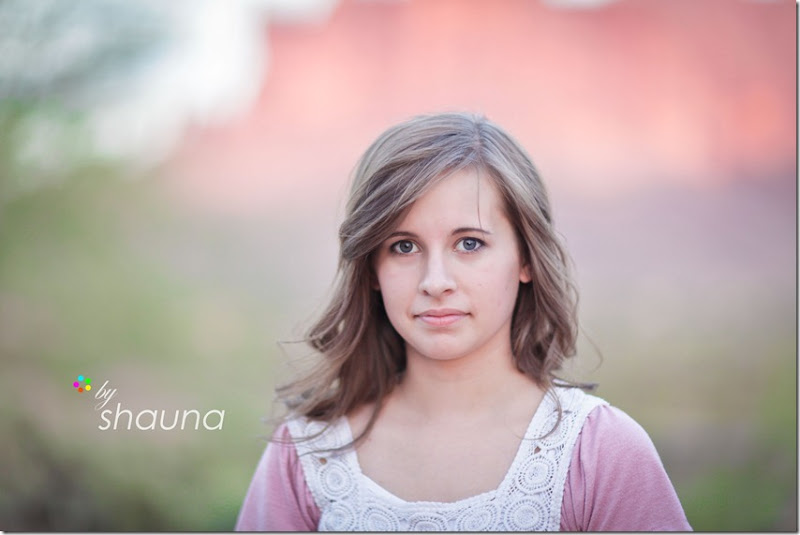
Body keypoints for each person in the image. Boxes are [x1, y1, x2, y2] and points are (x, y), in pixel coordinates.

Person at [235, 112, 692, 531]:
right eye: (403, 246)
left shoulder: (601, 453)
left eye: (469, 243)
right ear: (371, 268)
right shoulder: (307, 456)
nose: (435, 282)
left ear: (526, 259)